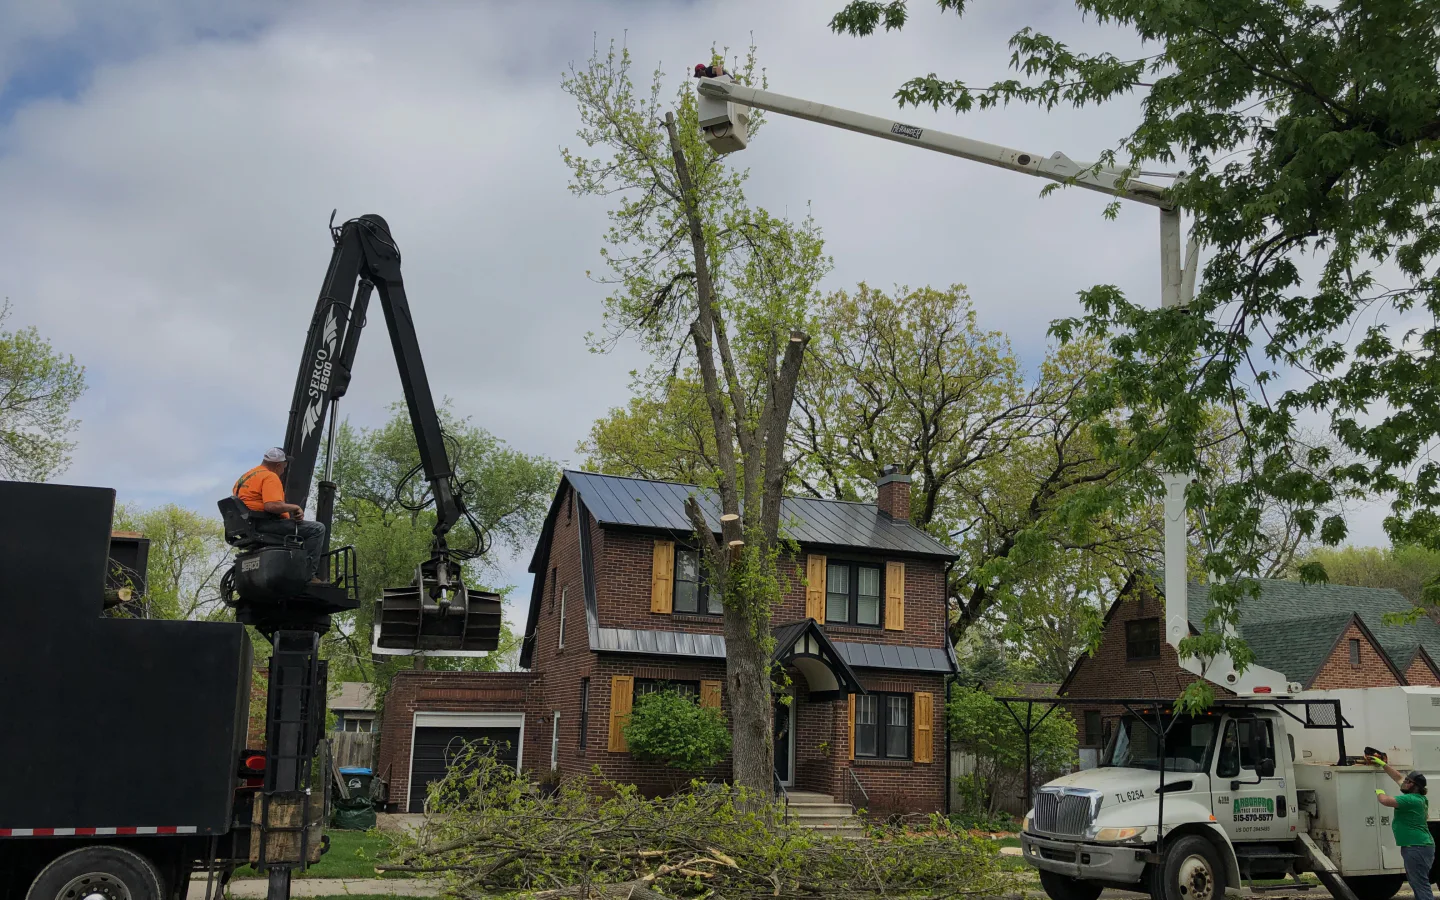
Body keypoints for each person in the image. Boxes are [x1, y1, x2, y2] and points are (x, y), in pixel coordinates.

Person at [234, 447, 327, 582]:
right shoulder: (270, 476)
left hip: (249, 525)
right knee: (317, 529)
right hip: (266, 524)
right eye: (284, 466)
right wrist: (294, 507)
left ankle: (292, 565)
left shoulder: (247, 476)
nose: (284, 470)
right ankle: (308, 576)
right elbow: (271, 506)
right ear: (278, 465)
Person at [1372, 752, 1434, 900]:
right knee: (1417, 881)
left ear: (1413, 785)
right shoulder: (1418, 797)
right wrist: (1383, 765)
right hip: (1418, 845)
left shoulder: (1410, 800)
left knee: (1419, 882)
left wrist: (1379, 791)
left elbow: (1386, 801)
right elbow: (1398, 778)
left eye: (1408, 780)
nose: (1404, 781)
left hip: (1416, 846)